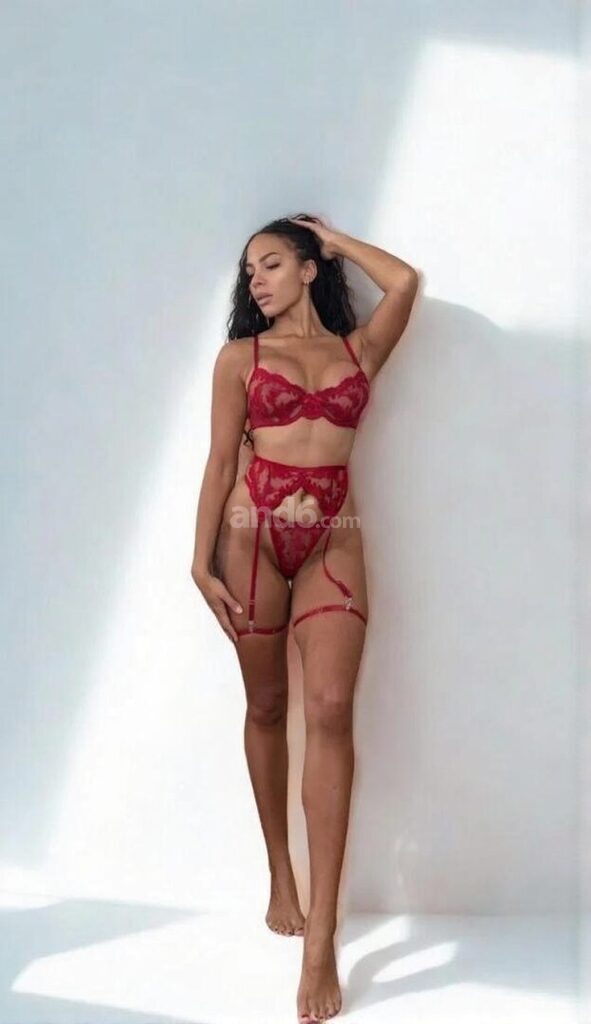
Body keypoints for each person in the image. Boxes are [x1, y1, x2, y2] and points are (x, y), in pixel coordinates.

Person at [191, 213, 419, 1023]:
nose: (255, 280)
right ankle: (278, 871)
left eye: (271, 263)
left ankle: (322, 935)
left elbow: (405, 283)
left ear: (309, 268)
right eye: (249, 270)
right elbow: (222, 460)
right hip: (250, 538)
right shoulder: (239, 359)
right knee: (266, 706)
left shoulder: (360, 351)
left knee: (328, 708)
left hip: (333, 537)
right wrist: (198, 562)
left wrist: (334, 237)